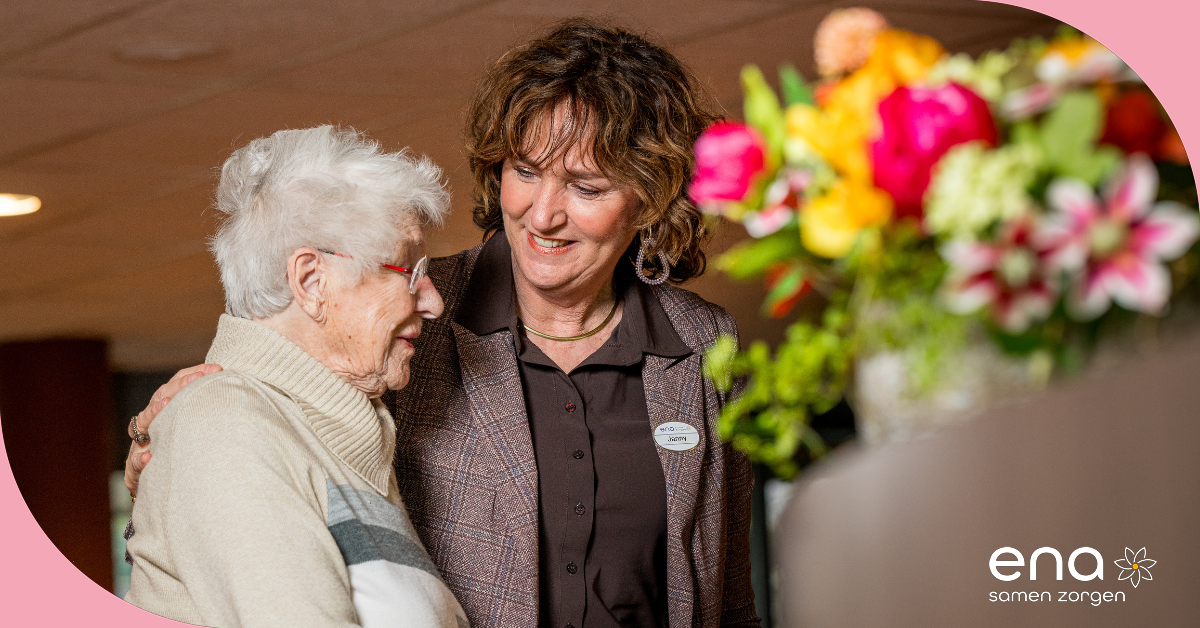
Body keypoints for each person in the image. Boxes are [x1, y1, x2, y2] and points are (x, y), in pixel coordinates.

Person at [127, 21, 759, 628]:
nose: (543, 215)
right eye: (527, 172)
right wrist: (161, 441)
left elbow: (726, 600)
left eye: (585, 188)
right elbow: (262, 442)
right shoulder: (408, 322)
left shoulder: (700, 345)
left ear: (650, 195)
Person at [123, 126, 469, 628]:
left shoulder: (337, 440)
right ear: (311, 281)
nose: (433, 301)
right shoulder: (226, 424)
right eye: (409, 271)